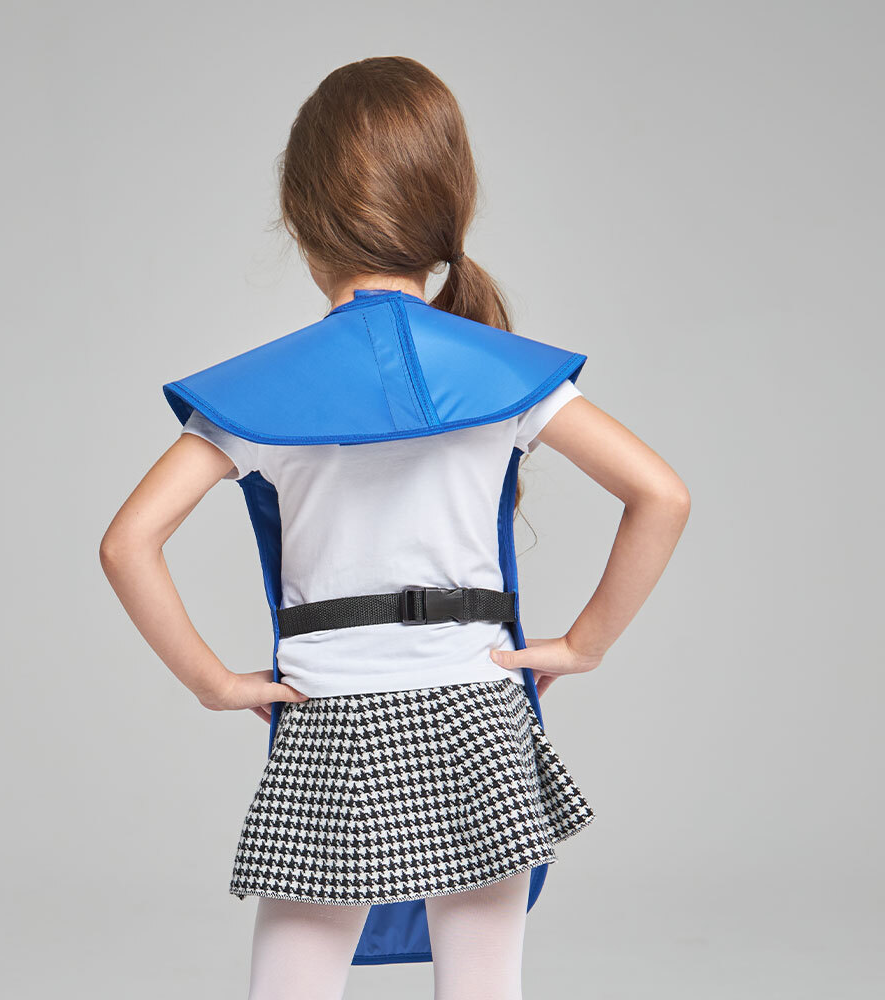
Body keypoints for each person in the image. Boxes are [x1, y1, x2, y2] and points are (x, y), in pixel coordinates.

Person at [100, 56, 690, 1000]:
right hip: (477, 710)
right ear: (447, 208)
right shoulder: (508, 375)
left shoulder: (256, 394)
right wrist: (584, 644)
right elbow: (662, 495)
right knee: (484, 985)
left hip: (328, 719)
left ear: (301, 220)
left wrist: (213, 682)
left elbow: (127, 543)